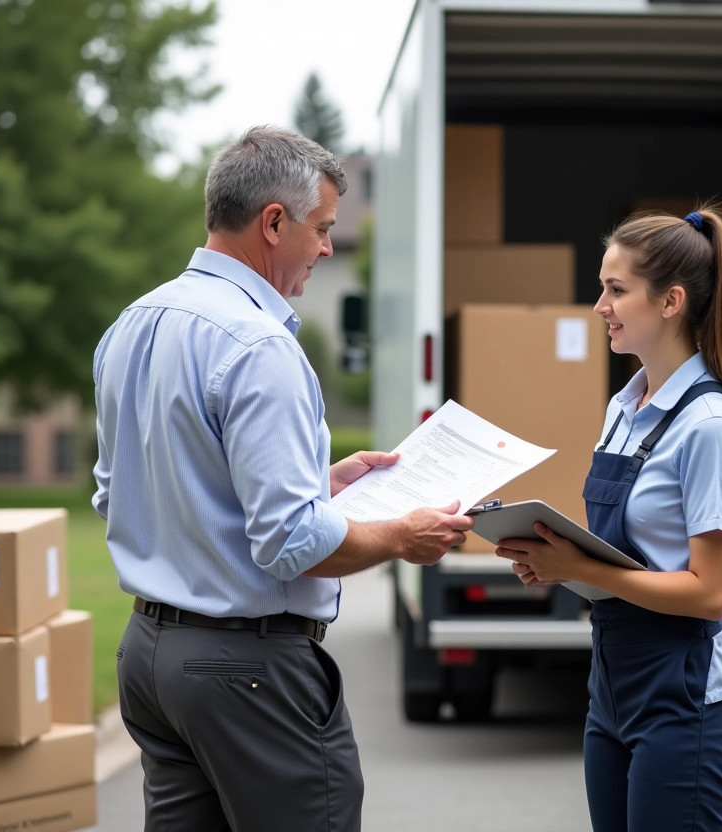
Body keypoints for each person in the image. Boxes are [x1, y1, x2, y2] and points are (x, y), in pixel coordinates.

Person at [92, 126, 473, 832]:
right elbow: (293, 544)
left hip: (149, 658)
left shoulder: (130, 326)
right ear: (274, 222)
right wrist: (400, 535)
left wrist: (316, 482)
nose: (328, 248)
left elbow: (127, 492)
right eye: (323, 228)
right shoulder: (259, 344)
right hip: (245, 667)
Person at [495, 209, 722, 831]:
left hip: (687, 699)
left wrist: (581, 567)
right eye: (601, 287)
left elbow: (711, 592)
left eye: (616, 291)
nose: (599, 306)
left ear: (670, 301)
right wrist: (555, 563)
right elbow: (631, 553)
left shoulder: (711, 429)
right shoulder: (625, 406)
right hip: (612, 689)